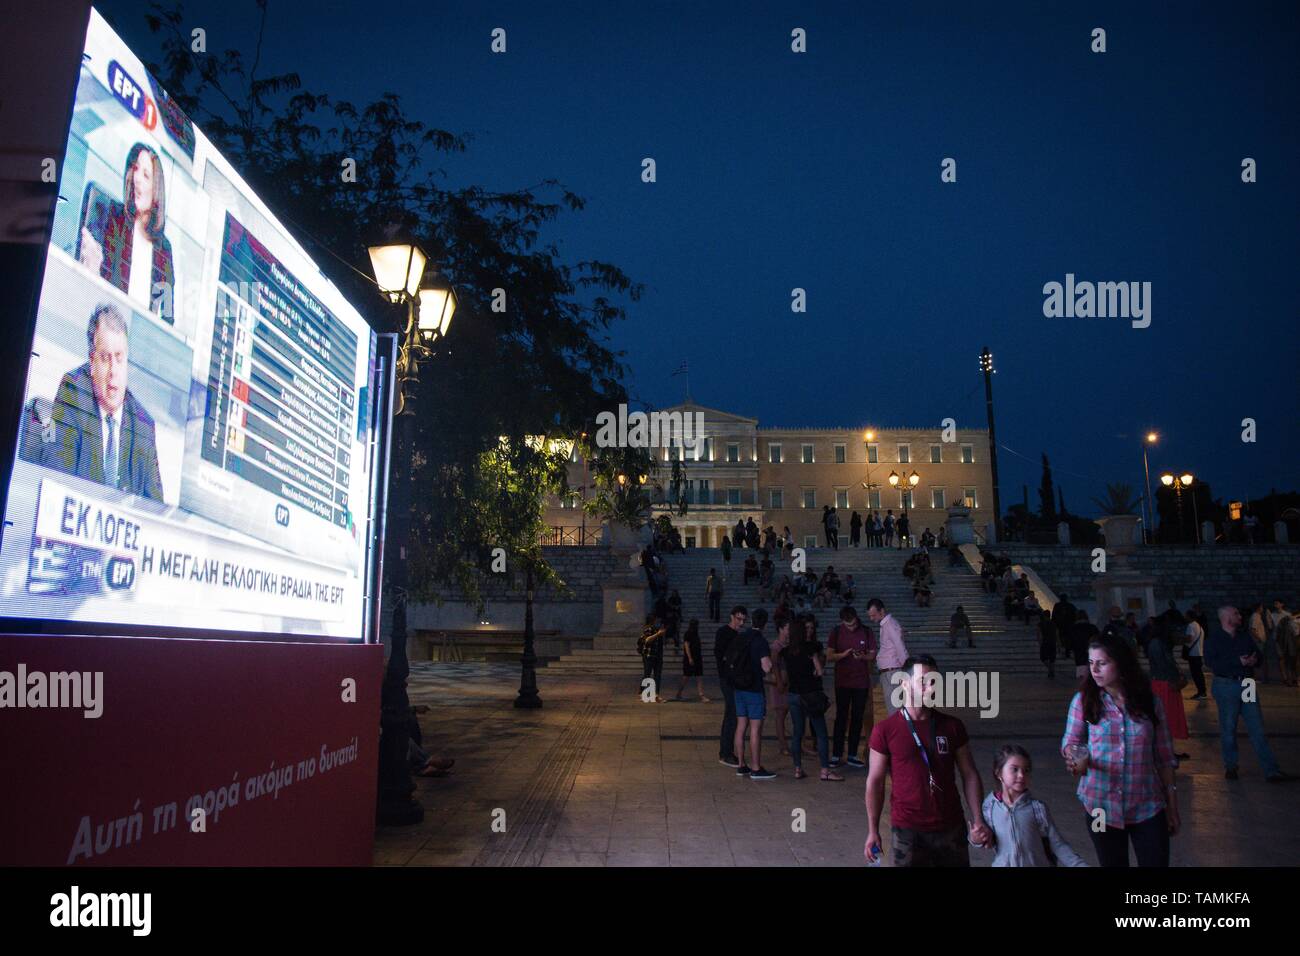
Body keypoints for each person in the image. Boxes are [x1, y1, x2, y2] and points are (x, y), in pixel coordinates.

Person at [1061, 632, 1179, 867]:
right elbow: (1070, 743)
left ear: (1121, 663)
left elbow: (1164, 757)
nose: (1094, 670)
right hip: (1100, 807)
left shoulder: (1150, 702)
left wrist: (1172, 806)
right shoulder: (1083, 701)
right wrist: (1076, 757)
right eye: (1091, 662)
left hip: (1147, 804)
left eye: (1102, 663)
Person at [865, 655, 991, 867]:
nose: (930, 688)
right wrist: (872, 830)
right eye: (923, 682)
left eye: (934, 681)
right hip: (907, 830)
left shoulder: (952, 726)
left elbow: (969, 773)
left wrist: (978, 818)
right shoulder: (885, 730)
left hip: (950, 826)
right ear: (904, 683)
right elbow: (875, 782)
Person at [47, 303, 164, 502]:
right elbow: (56, 483)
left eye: (119, 358)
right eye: (105, 358)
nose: (113, 371)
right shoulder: (73, 392)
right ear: (92, 362)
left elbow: (156, 510)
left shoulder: (144, 425)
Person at [78, 142, 176, 323]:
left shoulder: (164, 249)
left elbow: (168, 318)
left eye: (146, 175)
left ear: (157, 191)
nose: (137, 178)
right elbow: (91, 285)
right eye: (135, 169)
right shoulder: (110, 217)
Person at [1205, 605, 1291, 782]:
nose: (1240, 616)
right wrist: (1238, 661)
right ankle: (1231, 766)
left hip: (1247, 684)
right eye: (1236, 614)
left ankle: (1271, 770)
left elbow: (1258, 656)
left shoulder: (1244, 636)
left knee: (1257, 727)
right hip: (1226, 685)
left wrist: (1253, 660)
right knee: (1228, 728)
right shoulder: (1214, 638)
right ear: (1227, 617)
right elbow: (1212, 663)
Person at [977, 745, 1087, 867]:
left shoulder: (1037, 809)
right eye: (1014, 769)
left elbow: (1058, 845)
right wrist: (975, 838)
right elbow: (983, 839)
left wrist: (1079, 865)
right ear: (998, 773)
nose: (1021, 775)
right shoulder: (989, 807)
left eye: (1026, 770)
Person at [781, 617, 842, 781]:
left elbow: (786, 676)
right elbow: (820, 671)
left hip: (794, 695)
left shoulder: (786, 651)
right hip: (810, 694)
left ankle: (798, 768)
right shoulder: (810, 649)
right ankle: (824, 770)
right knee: (821, 733)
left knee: (797, 733)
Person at [826, 606, 877, 769]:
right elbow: (829, 656)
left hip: (861, 682)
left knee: (857, 717)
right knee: (841, 717)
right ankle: (836, 753)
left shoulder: (866, 631)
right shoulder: (836, 632)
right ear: (842, 622)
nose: (852, 627)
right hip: (842, 682)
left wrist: (863, 656)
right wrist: (843, 654)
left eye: (854, 624)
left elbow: (873, 654)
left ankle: (853, 754)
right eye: (848, 625)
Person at [729, 614, 776, 780]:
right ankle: (756, 767)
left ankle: (741, 765)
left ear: (751, 621)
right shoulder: (760, 641)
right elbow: (767, 667)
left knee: (741, 726)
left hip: (738, 687)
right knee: (756, 728)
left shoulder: (741, 637)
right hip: (754, 688)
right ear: (764, 624)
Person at [1146, 622, 1191, 759]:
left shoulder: (1157, 643)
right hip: (1165, 684)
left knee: (1167, 719)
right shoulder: (1158, 643)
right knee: (1166, 718)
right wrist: (1177, 676)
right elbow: (1165, 664)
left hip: (1164, 683)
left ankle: (1166, 751)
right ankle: (1164, 752)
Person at [715, 606, 747, 767]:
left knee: (732, 713)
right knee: (731, 713)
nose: (740, 623)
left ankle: (727, 751)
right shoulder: (723, 632)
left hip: (734, 679)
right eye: (738, 619)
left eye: (743, 620)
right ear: (732, 616)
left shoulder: (738, 635)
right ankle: (725, 752)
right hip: (727, 679)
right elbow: (720, 656)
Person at [867, 598, 910, 717]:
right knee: (893, 709)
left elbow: (900, 647)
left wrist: (906, 669)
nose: (872, 619)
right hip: (888, 672)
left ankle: (899, 734)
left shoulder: (890, 624)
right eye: (870, 616)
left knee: (894, 711)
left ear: (882, 611)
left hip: (892, 672)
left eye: (873, 615)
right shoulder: (886, 625)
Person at [760, 609, 790, 755]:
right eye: (787, 628)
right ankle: (783, 745)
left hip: (789, 684)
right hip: (779, 684)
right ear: (781, 629)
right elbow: (773, 667)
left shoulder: (789, 646)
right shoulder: (775, 647)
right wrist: (778, 681)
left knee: (787, 713)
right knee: (780, 714)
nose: (789, 631)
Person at [674, 619, 710, 702]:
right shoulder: (688, 634)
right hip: (690, 658)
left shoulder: (696, 634)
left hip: (697, 657)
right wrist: (690, 658)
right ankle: (679, 693)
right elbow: (686, 646)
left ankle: (701, 695)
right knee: (686, 677)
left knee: (699, 676)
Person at [637, 614, 667, 703]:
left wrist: (662, 634)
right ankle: (641, 692)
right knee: (647, 674)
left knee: (657, 676)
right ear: (652, 621)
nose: (657, 622)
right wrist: (657, 634)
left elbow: (662, 643)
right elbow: (647, 640)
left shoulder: (657, 630)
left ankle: (656, 695)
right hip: (649, 656)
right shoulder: (648, 629)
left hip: (658, 656)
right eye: (656, 620)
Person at [1067, 609, 1097, 681]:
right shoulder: (1092, 627)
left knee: (1080, 669)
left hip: (1078, 651)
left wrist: (1069, 650)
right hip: (1090, 650)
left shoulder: (1073, 628)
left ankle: (1082, 685)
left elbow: (1070, 640)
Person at [1184, 608, 1208, 699]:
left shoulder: (1190, 626)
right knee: (1199, 674)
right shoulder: (1199, 626)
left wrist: (1182, 640)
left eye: (1186, 615)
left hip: (1193, 653)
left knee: (1196, 674)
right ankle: (1202, 692)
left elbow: (1189, 638)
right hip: (1199, 652)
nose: (1184, 617)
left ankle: (1201, 692)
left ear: (1189, 617)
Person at [1274, 600, 1299, 687]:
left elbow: (1294, 629)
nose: (1276, 605)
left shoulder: (1287, 616)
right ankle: (1287, 679)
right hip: (1282, 640)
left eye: (1277, 603)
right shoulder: (1275, 616)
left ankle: (1293, 678)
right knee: (1284, 659)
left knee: (1292, 660)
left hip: (1289, 640)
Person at [1039, 609, 1058, 679]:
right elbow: (1057, 634)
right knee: (1052, 658)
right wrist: (1058, 644)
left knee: (1043, 658)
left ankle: (1050, 670)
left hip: (1045, 642)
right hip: (1052, 642)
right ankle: (1051, 671)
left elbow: (1039, 634)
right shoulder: (1054, 623)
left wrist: (1040, 642)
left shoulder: (1041, 624)